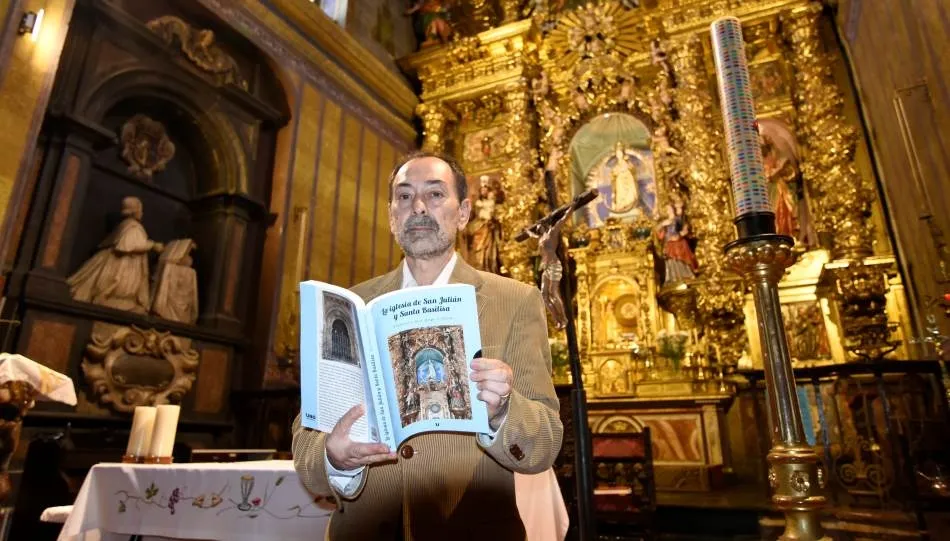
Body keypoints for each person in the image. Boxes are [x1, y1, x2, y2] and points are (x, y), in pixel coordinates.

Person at [292, 151, 564, 540]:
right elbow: (306, 432)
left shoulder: (515, 301)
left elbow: (546, 442)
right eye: (404, 197)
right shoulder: (350, 305)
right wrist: (333, 456)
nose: (418, 206)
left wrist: (504, 411)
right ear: (391, 216)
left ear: (464, 212)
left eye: (435, 195)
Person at [67, 196, 163, 313]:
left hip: (123, 263)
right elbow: (126, 246)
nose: (141, 213)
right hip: (124, 264)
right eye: (140, 210)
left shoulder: (124, 225)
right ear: (136, 210)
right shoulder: (133, 227)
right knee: (118, 289)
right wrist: (153, 245)